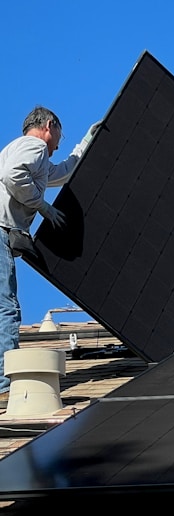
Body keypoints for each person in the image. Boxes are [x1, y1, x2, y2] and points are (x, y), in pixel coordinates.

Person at [0, 106, 100, 407]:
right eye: (60, 135)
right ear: (48, 125)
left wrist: (85, 143)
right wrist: (42, 207)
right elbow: (12, 175)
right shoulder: (34, 146)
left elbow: (61, 173)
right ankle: (5, 383)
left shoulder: (32, 155)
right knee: (7, 308)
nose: (58, 143)